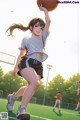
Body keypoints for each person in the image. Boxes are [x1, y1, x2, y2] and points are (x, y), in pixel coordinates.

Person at [6, 5, 51, 118]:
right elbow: (21, 54)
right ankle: (21, 110)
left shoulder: (43, 37)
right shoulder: (26, 39)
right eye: (36, 26)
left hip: (38, 65)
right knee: (35, 83)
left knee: (32, 85)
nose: (39, 29)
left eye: (41, 27)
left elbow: (48, 21)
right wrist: (16, 67)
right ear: (31, 28)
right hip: (27, 61)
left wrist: (45, 11)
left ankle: (13, 97)